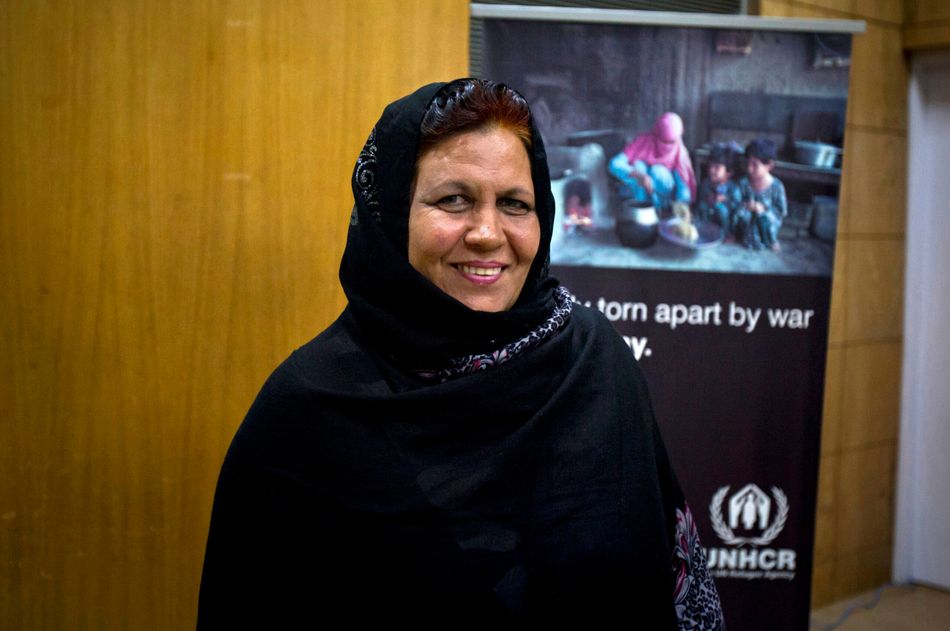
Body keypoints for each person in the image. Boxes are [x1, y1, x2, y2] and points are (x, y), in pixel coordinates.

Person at [197, 79, 725, 627]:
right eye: (454, 199)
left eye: (515, 204)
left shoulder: (594, 366)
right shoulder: (304, 414)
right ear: (391, 213)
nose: (487, 233)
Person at [608, 112, 696, 213]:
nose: (667, 146)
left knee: (658, 171)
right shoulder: (642, 143)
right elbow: (614, 164)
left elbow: (683, 188)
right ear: (656, 133)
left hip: (666, 206)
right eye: (663, 141)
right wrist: (639, 175)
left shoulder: (680, 154)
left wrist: (680, 210)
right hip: (639, 203)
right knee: (639, 166)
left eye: (671, 142)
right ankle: (641, 208)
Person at [734, 138, 788, 251]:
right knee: (741, 215)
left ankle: (770, 240)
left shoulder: (777, 187)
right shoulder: (743, 183)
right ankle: (742, 237)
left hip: (766, 224)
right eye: (748, 163)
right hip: (748, 223)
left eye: (755, 165)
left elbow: (781, 212)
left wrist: (762, 210)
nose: (749, 169)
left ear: (769, 165)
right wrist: (746, 206)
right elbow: (736, 203)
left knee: (763, 218)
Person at [695, 143, 741, 234]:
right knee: (702, 206)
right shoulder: (706, 184)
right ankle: (702, 228)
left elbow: (737, 206)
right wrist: (707, 198)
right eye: (710, 166)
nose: (712, 170)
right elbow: (700, 197)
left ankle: (726, 234)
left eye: (717, 167)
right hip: (709, 215)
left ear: (729, 172)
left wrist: (725, 199)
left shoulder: (733, 188)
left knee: (721, 209)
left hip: (725, 220)